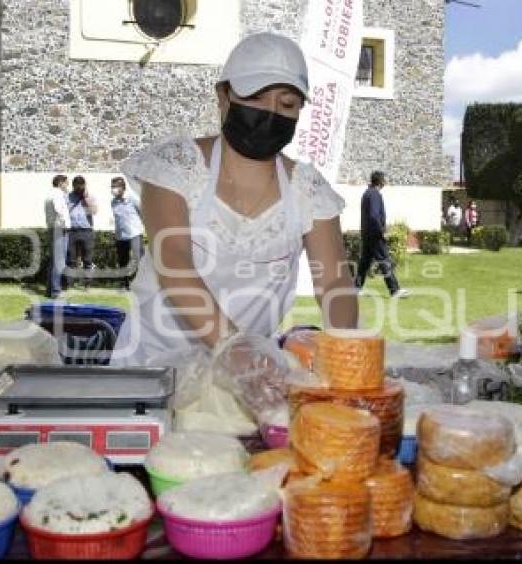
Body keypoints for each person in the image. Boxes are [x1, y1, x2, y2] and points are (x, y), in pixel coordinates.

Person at [109, 31, 358, 370]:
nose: (271, 113)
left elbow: (334, 282)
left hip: (246, 379)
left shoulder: (308, 191)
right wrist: (236, 351)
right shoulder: (175, 167)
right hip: (151, 367)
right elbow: (175, 262)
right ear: (223, 96)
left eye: (286, 104)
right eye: (256, 98)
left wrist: (346, 352)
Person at [354, 171, 408, 298]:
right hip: (375, 235)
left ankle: (356, 288)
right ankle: (394, 290)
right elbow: (374, 215)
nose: (385, 182)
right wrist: (382, 231)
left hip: (367, 234)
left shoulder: (367, 193)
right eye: (384, 180)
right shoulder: (374, 194)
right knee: (384, 261)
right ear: (380, 181)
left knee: (365, 262)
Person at [110, 176, 144, 291]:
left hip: (135, 234)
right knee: (123, 262)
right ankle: (124, 284)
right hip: (121, 236)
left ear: (123, 187)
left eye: (116, 186)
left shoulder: (132, 198)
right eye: (112, 186)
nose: (113, 189)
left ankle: (140, 284)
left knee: (139, 260)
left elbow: (143, 212)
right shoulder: (113, 202)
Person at [66, 175, 98, 288]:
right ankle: (70, 284)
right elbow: (64, 211)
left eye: (81, 185)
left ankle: (87, 284)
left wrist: (85, 199)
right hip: (72, 231)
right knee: (71, 259)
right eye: (76, 185)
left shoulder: (90, 196)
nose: (79, 187)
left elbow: (94, 211)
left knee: (87, 260)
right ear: (73, 185)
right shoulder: (68, 197)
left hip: (87, 231)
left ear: (84, 185)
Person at [44, 174, 71, 299]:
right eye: (66, 183)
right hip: (60, 229)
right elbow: (59, 210)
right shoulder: (58, 194)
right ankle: (56, 291)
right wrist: (65, 225)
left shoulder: (50, 194)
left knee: (53, 261)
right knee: (59, 261)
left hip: (52, 228)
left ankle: (49, 290)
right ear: (61, 183)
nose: (67, 185)